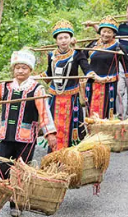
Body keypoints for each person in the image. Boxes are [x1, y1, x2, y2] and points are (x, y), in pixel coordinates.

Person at [0, 50, 57, 217]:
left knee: (21, 171)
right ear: (13, 69)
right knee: (2, 167)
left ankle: (15, 202)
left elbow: (44, 112)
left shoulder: (36, 89)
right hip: (6, 136)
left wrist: (49, 133)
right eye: (17, 68)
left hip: (26, 137)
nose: (20, 71)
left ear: (30, 70)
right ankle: (7, 193)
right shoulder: (6, 87)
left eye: (24, 68)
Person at [43, 20, 101, 150]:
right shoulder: (51, 55)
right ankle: (54, 153)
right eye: (60, 38)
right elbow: (48, 73)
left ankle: (72, 154)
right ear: (56, 40)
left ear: (71, 39)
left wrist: (91, 74)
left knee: (72, 127)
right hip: (55, 98)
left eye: (66, 37)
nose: (63, 41)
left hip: (71, 98)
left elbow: (86, 68)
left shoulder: (77, 54)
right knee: (55, 125)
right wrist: (34, 78)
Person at [84, 16, 128, 119]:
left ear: (114, 34)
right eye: (104, 31)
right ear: (100, 32)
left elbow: (127, 64)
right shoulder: (93, 44)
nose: (106, 34)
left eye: (109, 32)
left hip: (109, 84)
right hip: (93, 83)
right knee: (91, 108)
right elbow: (81, 58)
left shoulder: (118, 47)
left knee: (107, 109)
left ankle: (108, 131)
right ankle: (92, 132)